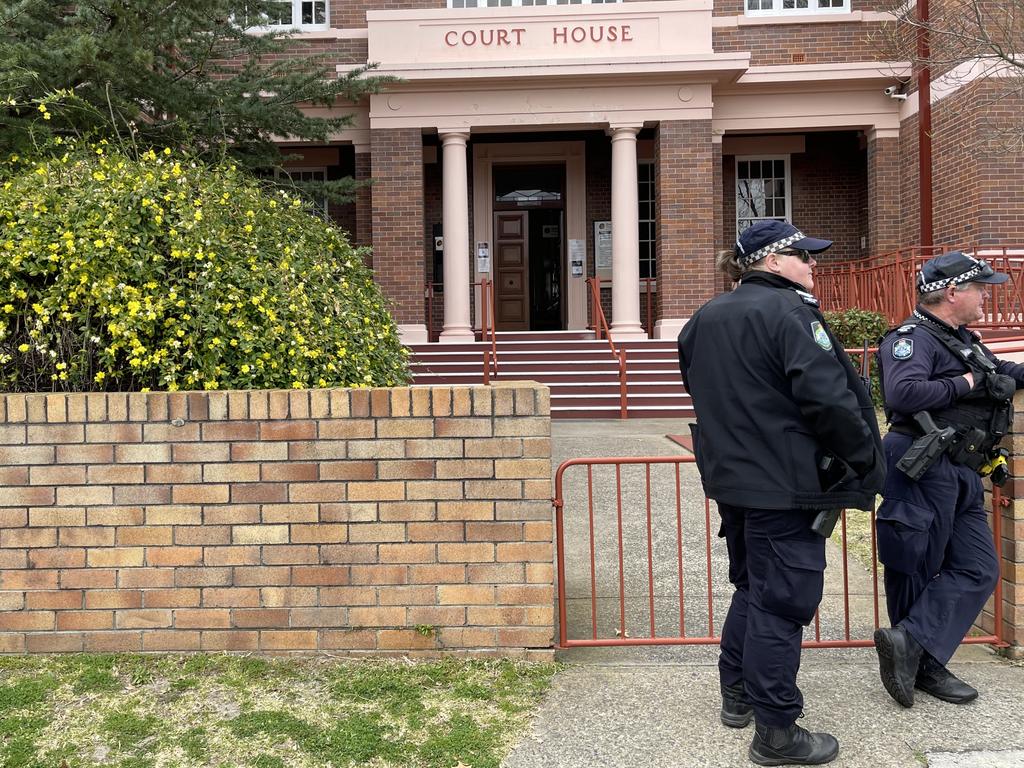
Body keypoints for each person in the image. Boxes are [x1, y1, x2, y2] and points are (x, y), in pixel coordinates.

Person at [678, 219, 885, 767]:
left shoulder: (704, 318)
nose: (813, 265)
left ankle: (737, 693)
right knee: (781, 604)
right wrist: (865, 459)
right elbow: (830, 400)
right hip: (784, 485)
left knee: (753, 588)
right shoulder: (790, 313)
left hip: (735, 481)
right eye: (804, 256)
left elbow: (703, 390)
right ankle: (776, 731)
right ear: (772, 262)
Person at [873, 251, 1023, 708]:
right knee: (914, 563)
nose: (985, 297)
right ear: (952, 293)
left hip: (959, 465)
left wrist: (986, 376)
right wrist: (967, 381)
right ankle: (922, 667)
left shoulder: (962, 338)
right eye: (980, 289)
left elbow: (999, 375)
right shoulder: (912, 337)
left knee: (979, 566)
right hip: (922, 461)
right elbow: (903, 393)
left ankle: (913, 645)